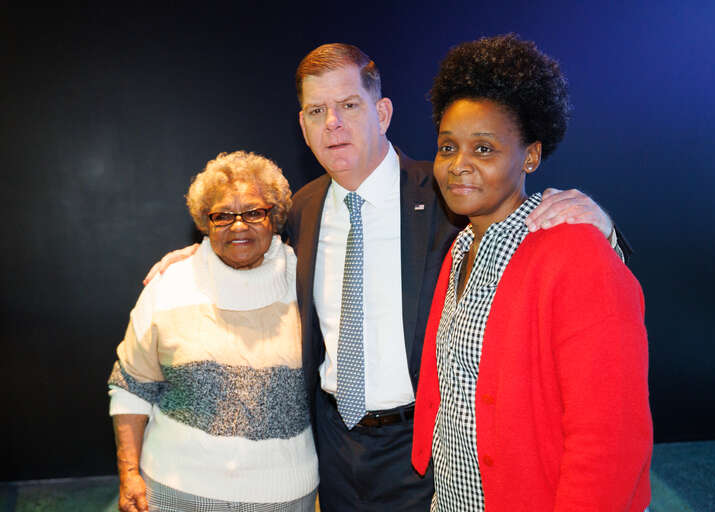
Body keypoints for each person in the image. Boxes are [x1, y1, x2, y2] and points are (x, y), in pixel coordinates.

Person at [143, 43, 629, 511]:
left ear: (382, 113)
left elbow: (533, 237)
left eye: (349, 105)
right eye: (317, 111)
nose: (332, 123)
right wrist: (199, 254)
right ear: (303, 126)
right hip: (333, 440)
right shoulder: (300, 210)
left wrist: (600, 224)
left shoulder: (447, 194)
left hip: (426, 446)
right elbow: (245, 243)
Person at [411, 35, 652, 511]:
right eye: (447, 147)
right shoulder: (459, 248)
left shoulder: (577, 253)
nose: (458, 166)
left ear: (531, 156)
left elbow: (610, 437)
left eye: (483, 149)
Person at [108, 151, 318, 512]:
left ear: (275, 216)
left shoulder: (308, 279)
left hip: (283, 496)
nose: (239, 227)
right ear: (206, 222)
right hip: (175, 492)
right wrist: (129, 475)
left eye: (253, 212)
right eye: (223, 215)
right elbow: (131, 387)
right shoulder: (168, 283)